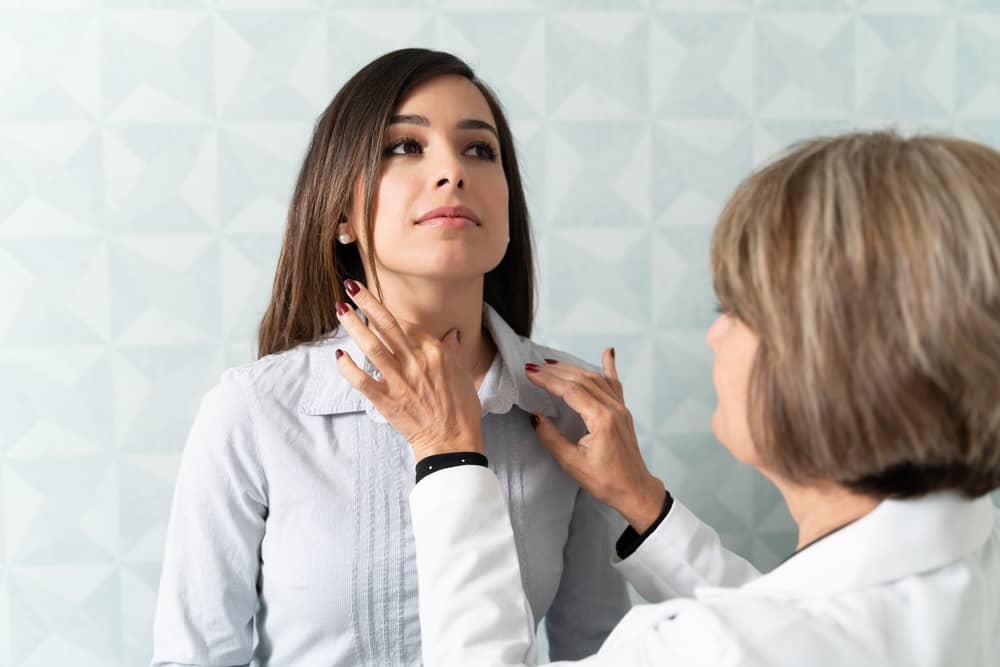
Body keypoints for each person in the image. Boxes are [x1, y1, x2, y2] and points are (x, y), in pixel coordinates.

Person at [335, 130, 1000, 666]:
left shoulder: (705, 647)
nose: (714, 332)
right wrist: (644, 504)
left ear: (832, 354)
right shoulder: (974, 560)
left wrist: (449, 457)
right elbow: (798, 623)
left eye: (736, 306)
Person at [150, 48, 630, 667]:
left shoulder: (570, 409)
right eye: (404, 146)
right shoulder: (253, 412)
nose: (452, 171)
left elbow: (599, 650)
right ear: (342, 213)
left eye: (480, 150)